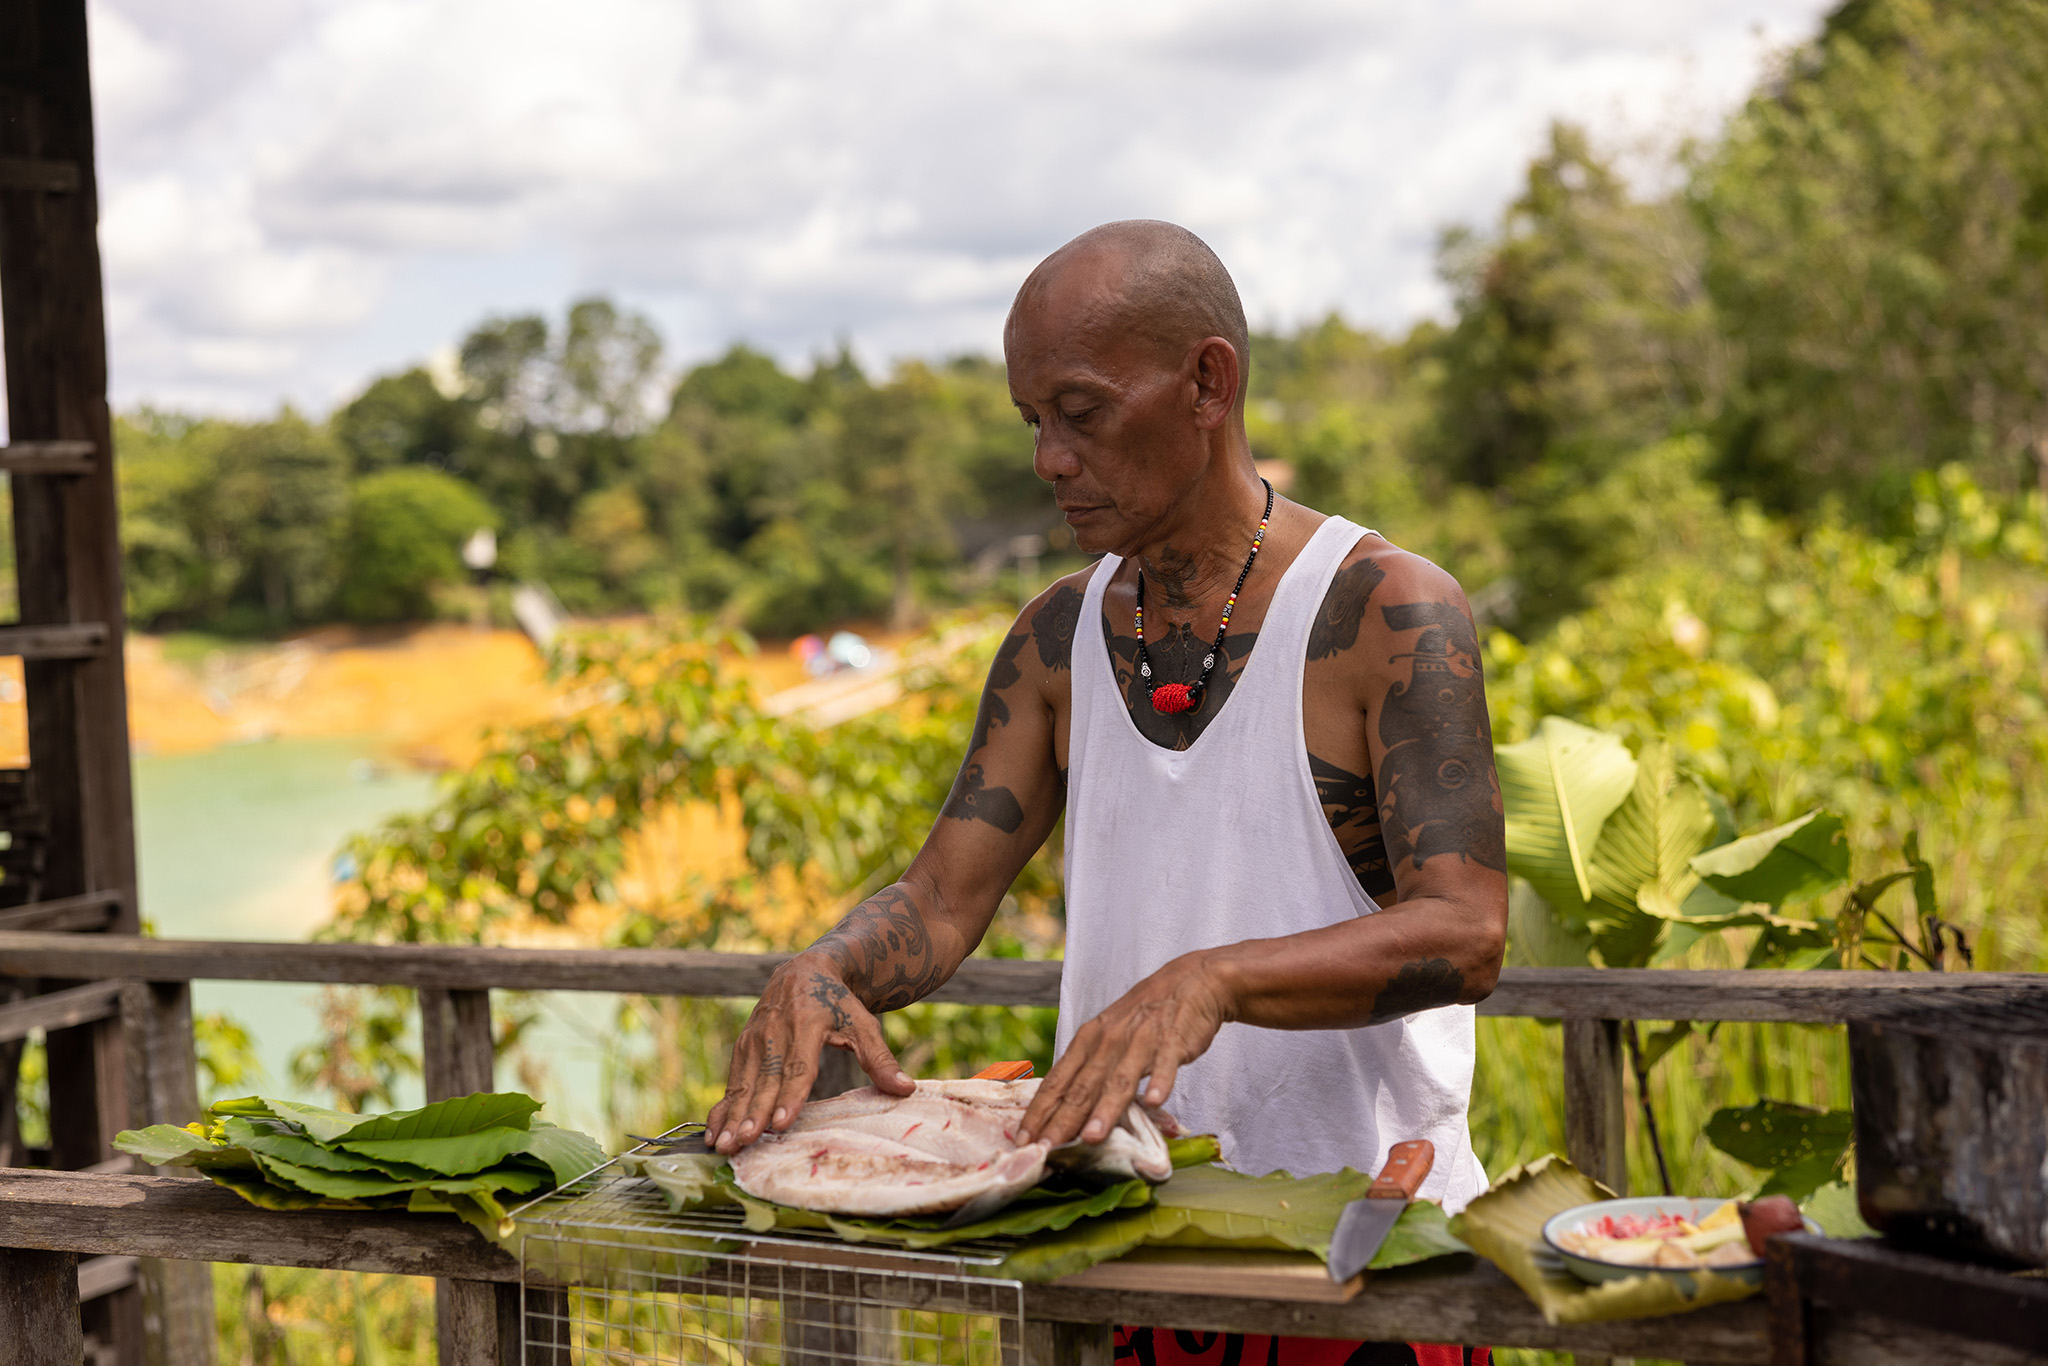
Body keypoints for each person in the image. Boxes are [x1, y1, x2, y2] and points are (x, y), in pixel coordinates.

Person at [709, 221, 1509, 1363]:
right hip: (1118, 1252)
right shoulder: (1055, 636)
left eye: (1079, 414)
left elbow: (1465, 933)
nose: (1047, 459)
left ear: (1206, 382)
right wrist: (824, 967)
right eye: (1031, 421)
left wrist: (1211, 981)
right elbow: (940, 902)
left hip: (1358, 1264)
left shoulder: (1383, 611)